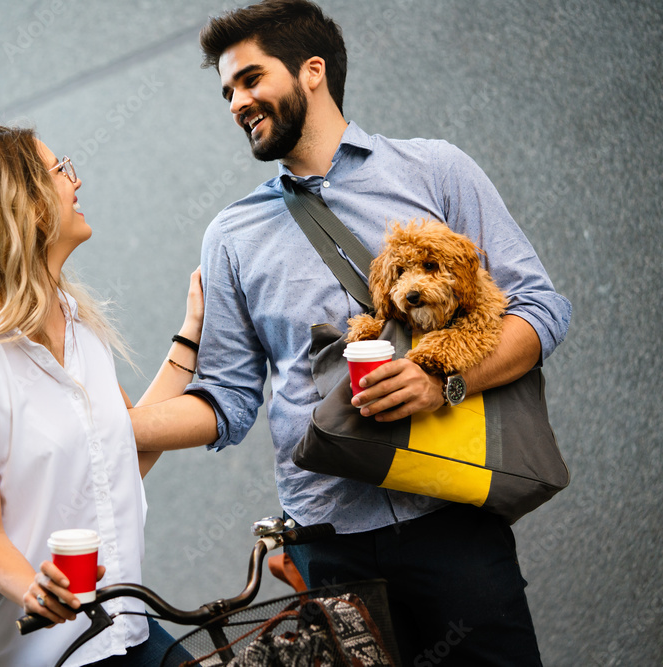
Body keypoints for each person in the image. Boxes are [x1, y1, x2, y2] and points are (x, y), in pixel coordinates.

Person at [128, 1, 572, 665]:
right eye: (227, 90)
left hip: (449, 517)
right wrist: (105, 431)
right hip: (326, 541)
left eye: (250, 79)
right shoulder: (231, 235)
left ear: (312, 72)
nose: (236, 102)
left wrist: (441, 379)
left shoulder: (435, 170)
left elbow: (540, 307)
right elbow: (226, 399)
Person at [0, 125, 202, 666]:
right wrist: (34, 590)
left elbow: (122, 453)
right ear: (24, 202)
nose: (77, 180)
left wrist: (192, 333)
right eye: (61, 169)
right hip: (14, 653)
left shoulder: (80, 327)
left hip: (113, 628)